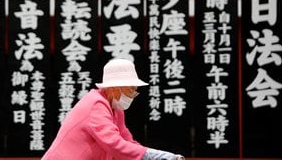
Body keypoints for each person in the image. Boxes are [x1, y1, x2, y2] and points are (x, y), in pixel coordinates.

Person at [42, 58, 185, 160]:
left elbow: (127, 141)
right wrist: (154, 156)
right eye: (131, 90)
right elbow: (114, 144)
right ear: (115, 88)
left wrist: (151, 155)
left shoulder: (116, 108)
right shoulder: (95, 105)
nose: (133, 95)